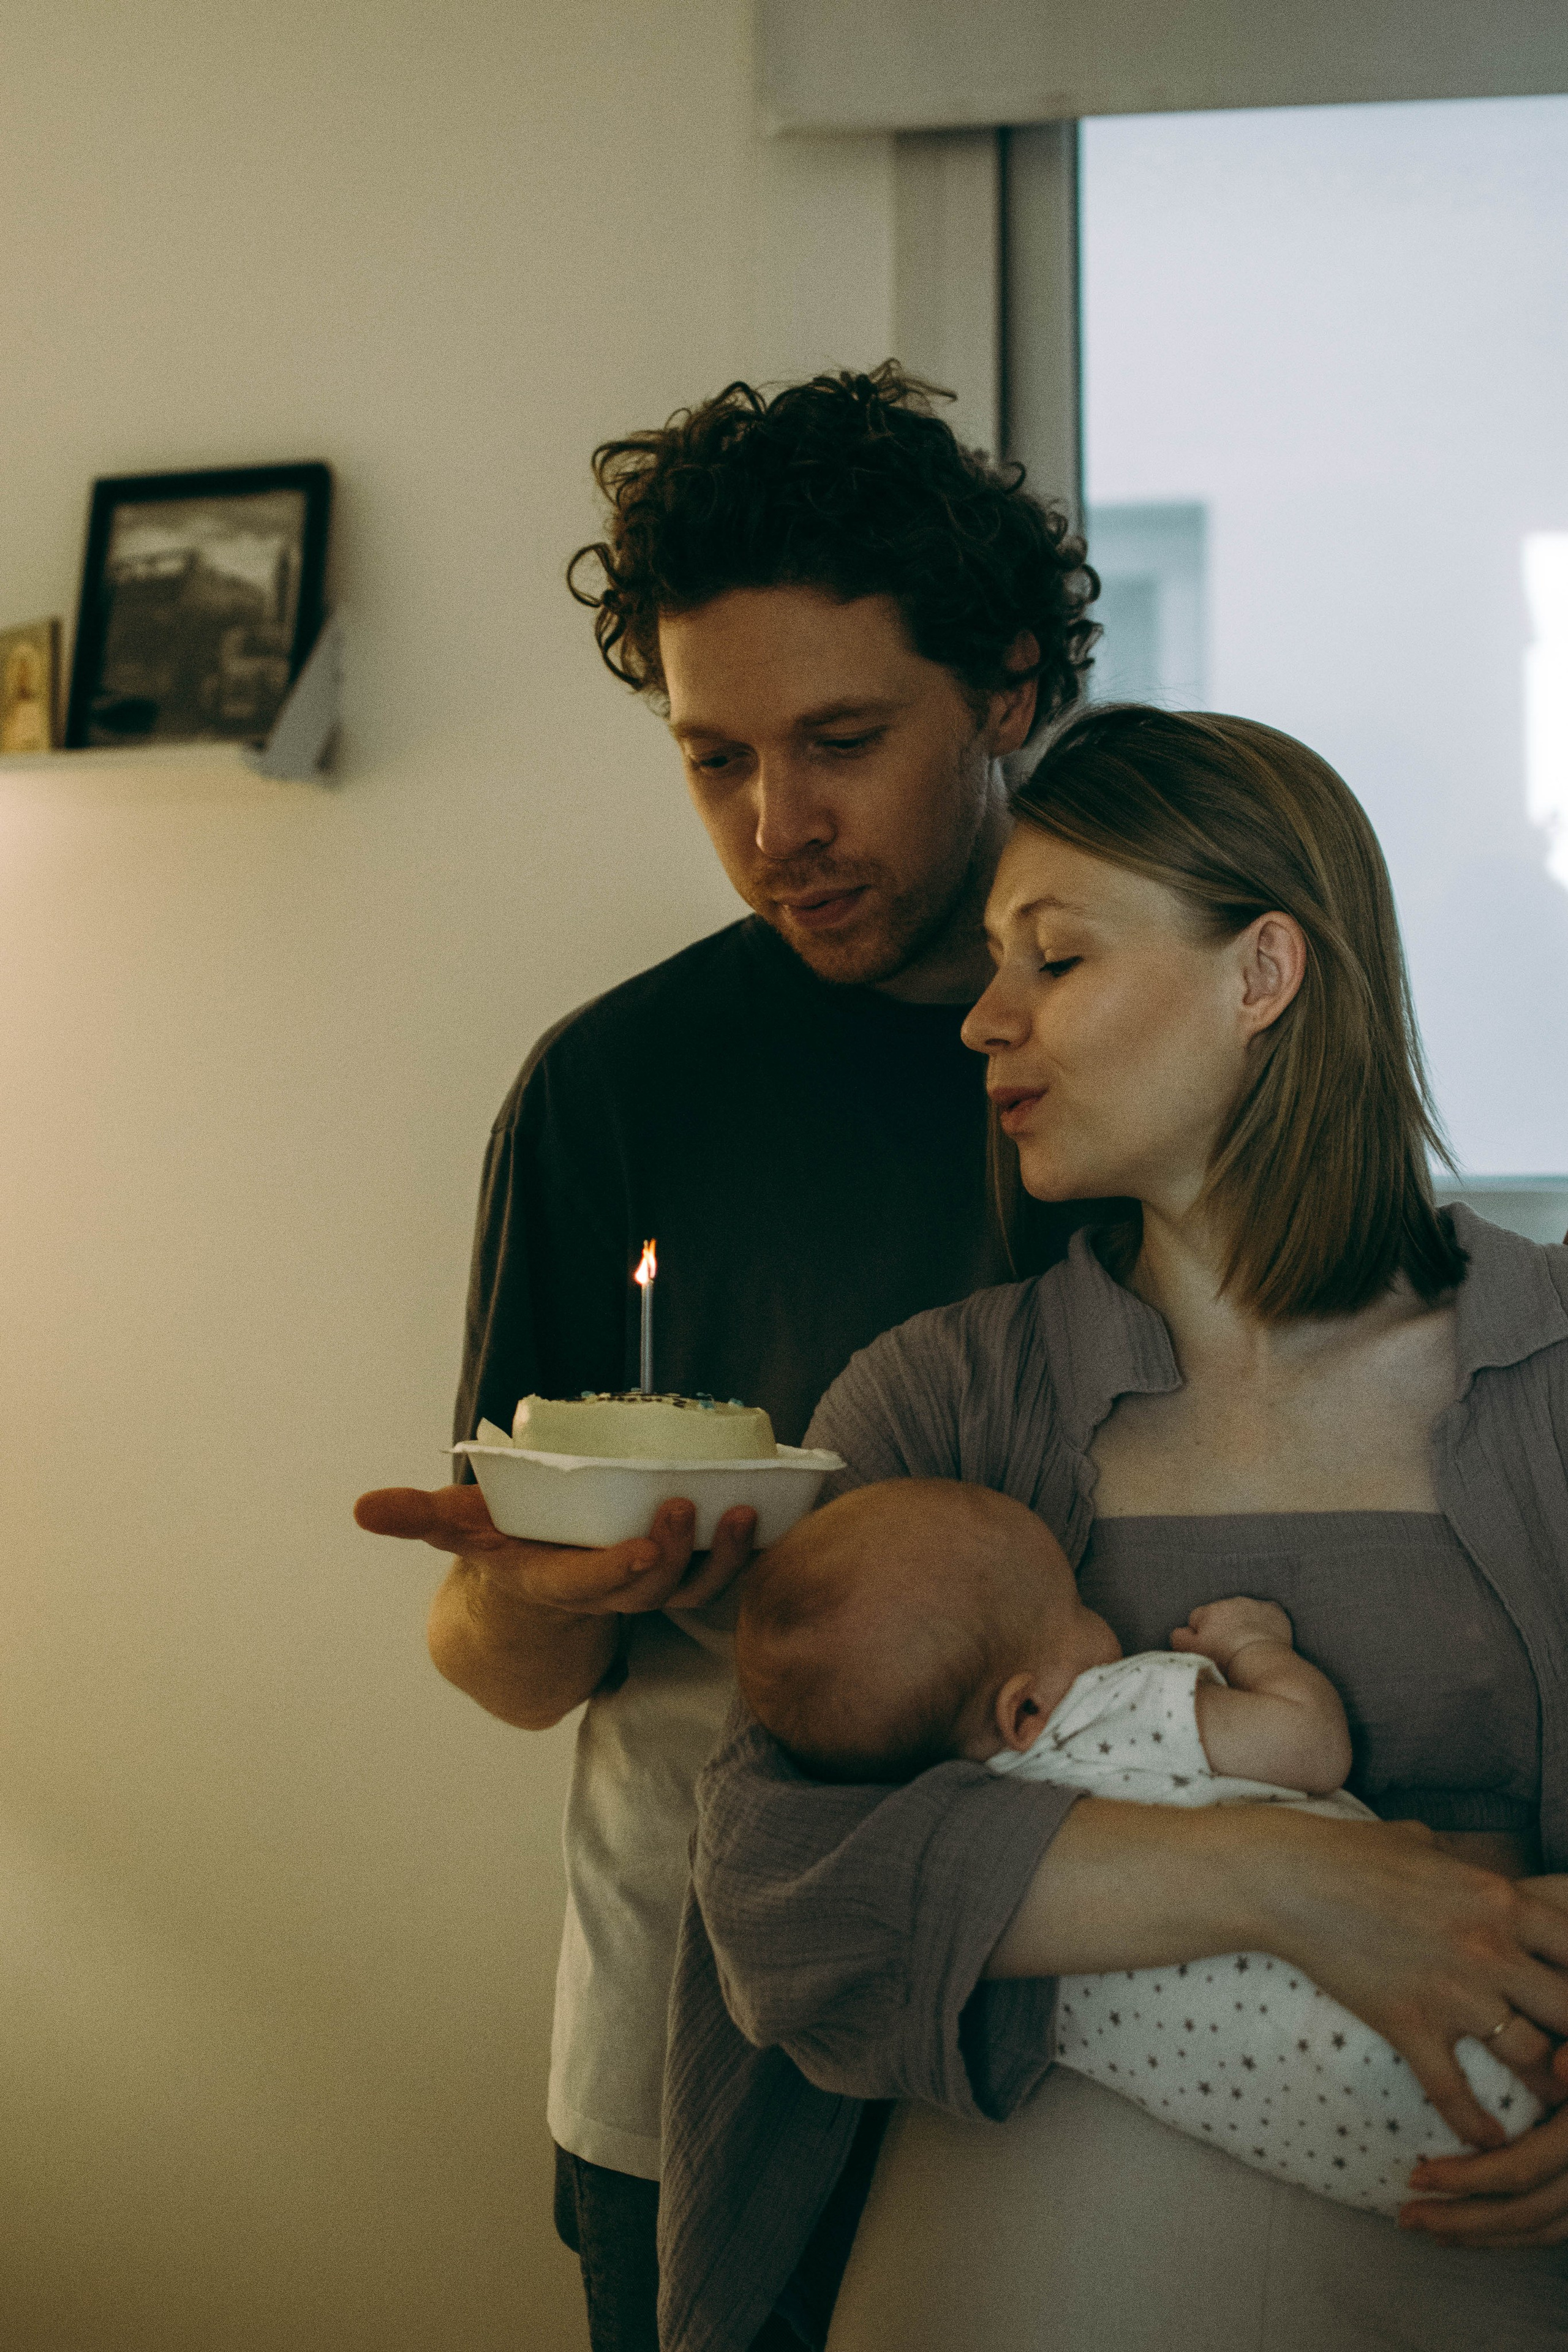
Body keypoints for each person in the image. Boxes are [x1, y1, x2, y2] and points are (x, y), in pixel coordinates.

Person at [658, 704, 1568, 2352]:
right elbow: (774, 1892)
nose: (984, 1021)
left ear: (1263, 975)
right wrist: (1284, 1877)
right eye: (997, 959)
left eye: (1056, 961)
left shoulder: (1557, 1377)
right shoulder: (937, 1404)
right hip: (1021, 2272)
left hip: (1478, 2259)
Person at [352, 365, 1101, 2352]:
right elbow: (501, 1667)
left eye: (843, 740)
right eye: (713, 760)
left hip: (1103, 2007)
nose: (779, 829)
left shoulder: (1160, 1044)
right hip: (688, 2031)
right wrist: (543, 1599)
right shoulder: (615, 1091)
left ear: (1008, 690)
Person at [735, 1477, 1550, 2217]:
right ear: (1027, 1710)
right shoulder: (1112, 1707)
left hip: (1345, 2139)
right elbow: (1309, 1747)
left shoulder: (980, 1867)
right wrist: (1258, 1649)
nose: (1103, 1624)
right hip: (1443, 2009)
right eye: (1076, 1609)